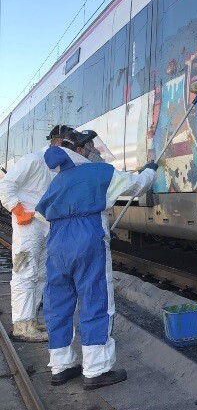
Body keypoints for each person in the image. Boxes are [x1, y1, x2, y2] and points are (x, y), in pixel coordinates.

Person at [36, 130, 158, 389]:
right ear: (80, 151)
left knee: (58, 304)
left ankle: (61, 366)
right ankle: (96, 370)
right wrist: (150, 170)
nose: (97, 151)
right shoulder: (99, 172)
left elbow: (44, 211)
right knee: (96, 299)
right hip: (87, 239)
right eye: (92, 146)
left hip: (57, 241)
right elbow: (138, 185)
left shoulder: (58, 180)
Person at [0, 125, 73, 342]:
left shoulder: (58, 166)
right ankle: (21, 325)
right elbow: (6, 185)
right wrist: (18, 210)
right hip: (28, 225)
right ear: (59, 142)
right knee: (24, 272)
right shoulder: (33, 160)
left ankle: (30, 319)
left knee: (41, 274)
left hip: (45, 224)